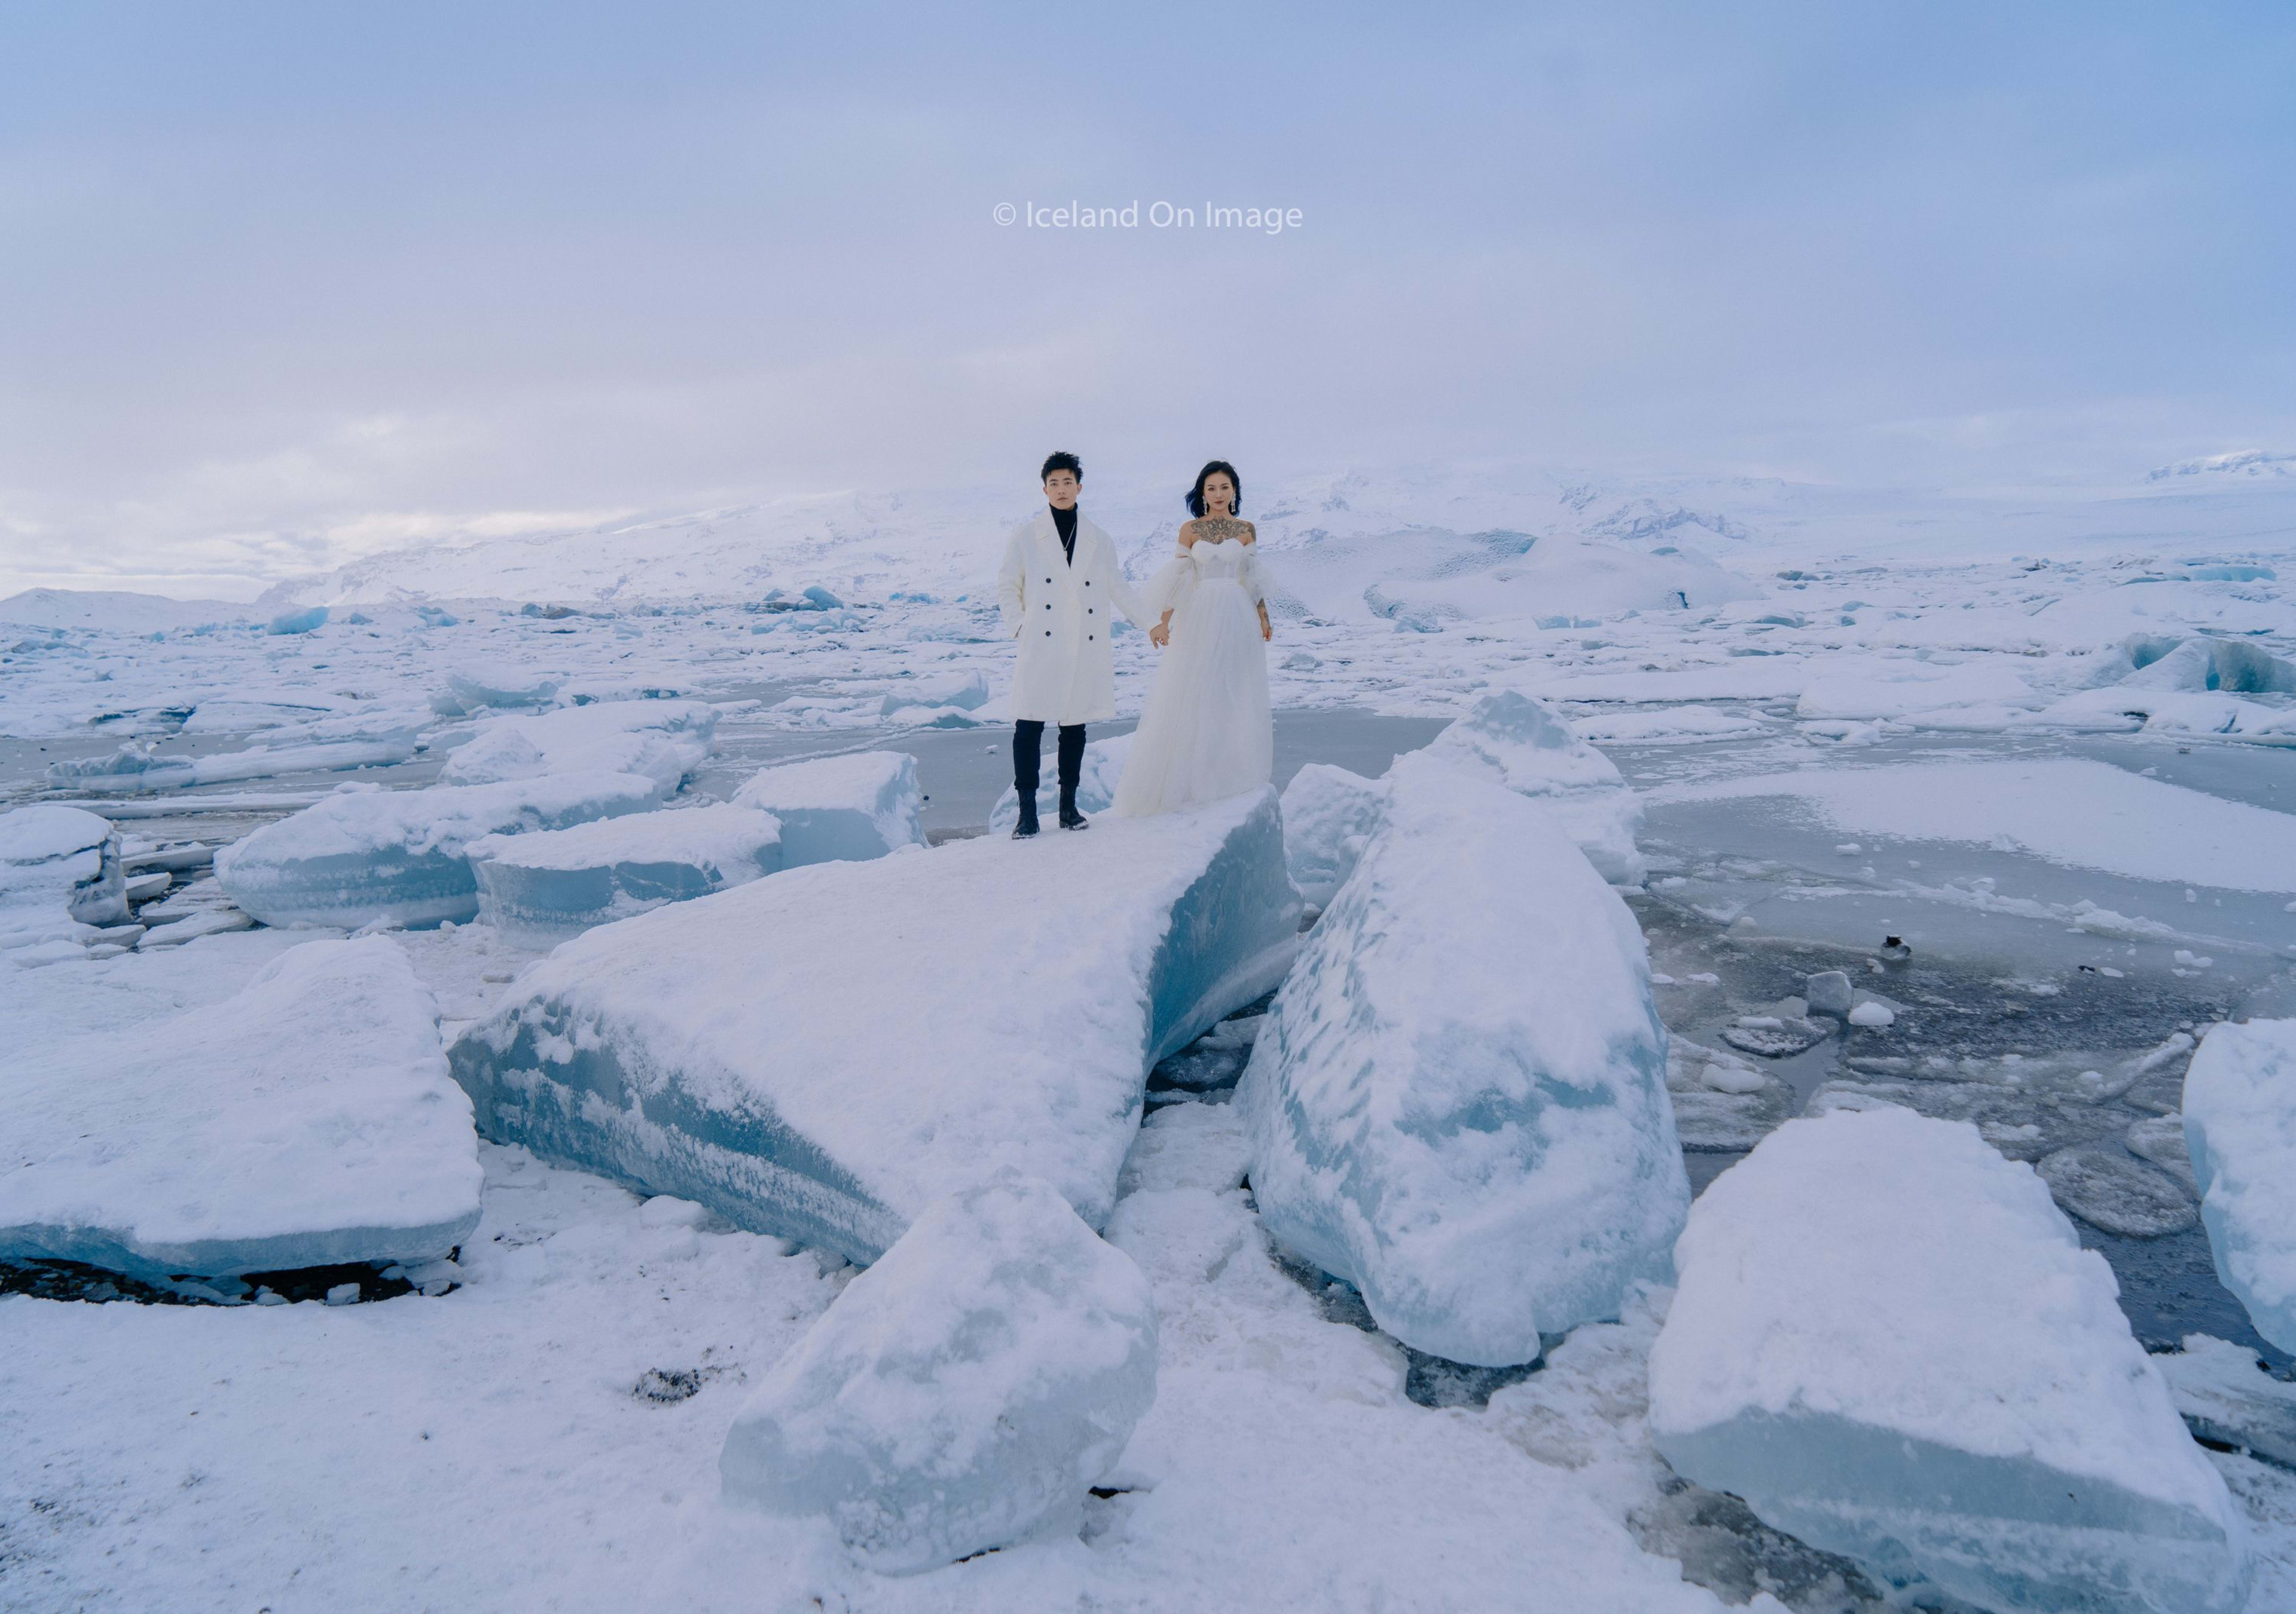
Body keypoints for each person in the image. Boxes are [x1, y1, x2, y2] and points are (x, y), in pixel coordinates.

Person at [995, 451, 1154, 837]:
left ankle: (1068, 807)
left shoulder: (1099, 539)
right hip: (1041, 643)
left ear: (1079, 487)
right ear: (1044, 489)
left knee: (1074, 727)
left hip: (1082, 645)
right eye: (1054, 483)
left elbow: (1118, 586)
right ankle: (1027, 813)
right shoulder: (1026, 536)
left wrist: (1150, 622)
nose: (1062, 489)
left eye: (1068, 482)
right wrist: (1021, 626)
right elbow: (1006, 584)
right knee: (1028, 727)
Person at [1110, 460, 1275, 818]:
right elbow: (1179, 579)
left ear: (1235, 491)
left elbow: (1252, 578)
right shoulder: (1190, 529)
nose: (1218, 494)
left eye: (1225, 487)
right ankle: (1190, 780)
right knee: (1195, 690)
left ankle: (1227, 776)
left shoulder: (1247, 529)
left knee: (1234, 690)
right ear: (1202, 492)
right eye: (1211, 488)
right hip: (1200, 614)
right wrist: (1162, 623)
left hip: (1238, 614)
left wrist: (1263, 617)